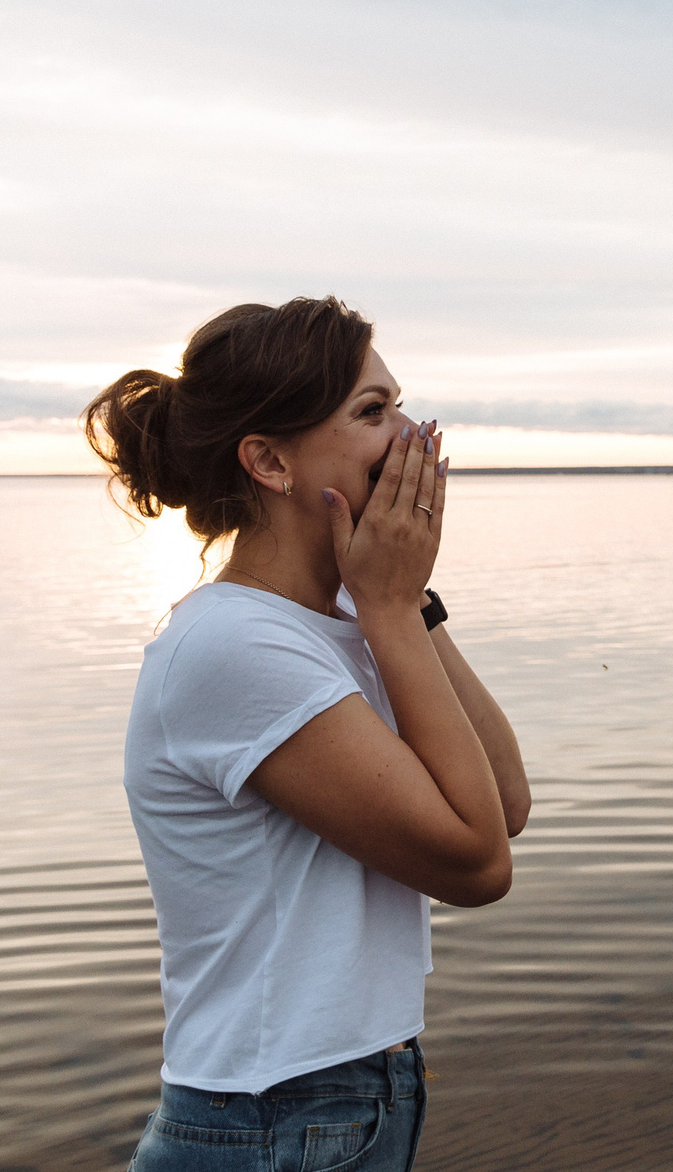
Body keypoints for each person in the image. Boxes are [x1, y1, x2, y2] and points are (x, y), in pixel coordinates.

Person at [88, 295, 529, 1172]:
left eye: (399, 403)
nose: (412, 437)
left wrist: (404, 603)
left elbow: (505, 800)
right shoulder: (232, 644)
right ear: (269, 461)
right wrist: (392, 607)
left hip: (340, 1099)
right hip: (271, 1118)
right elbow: (478, 864)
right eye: (373, 412)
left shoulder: (342, 621)